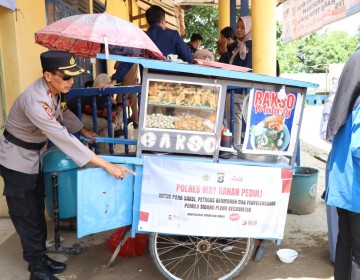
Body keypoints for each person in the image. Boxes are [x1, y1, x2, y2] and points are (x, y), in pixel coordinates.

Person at [0, 51, 136, 280]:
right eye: (66, 77)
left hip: (34, 156)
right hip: (15, 160)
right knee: (26, 214)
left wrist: (83, 130)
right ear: (47, 75)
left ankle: (40, 256)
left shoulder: (53, 91)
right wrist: (107, 165)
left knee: (36, 209)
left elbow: (63, 114)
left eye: (73, 77)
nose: (71, 82)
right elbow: (63, 138)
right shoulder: (35, 101)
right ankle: (36, 268)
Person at [325, 49, 360, 279]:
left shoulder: (347, 104)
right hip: (355, 186)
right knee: (358, 251)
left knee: (345, 241)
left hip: (341, 182)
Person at [226, 16, 253, 144]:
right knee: (232, 117)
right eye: (237, 27)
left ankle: (234, 146)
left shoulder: (249, 45)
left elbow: (245, 68)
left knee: (235, 118)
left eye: (243, 28)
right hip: (234, 87)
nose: (239, 30)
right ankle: (231, 144)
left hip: (239, 89)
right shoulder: (240, 45)